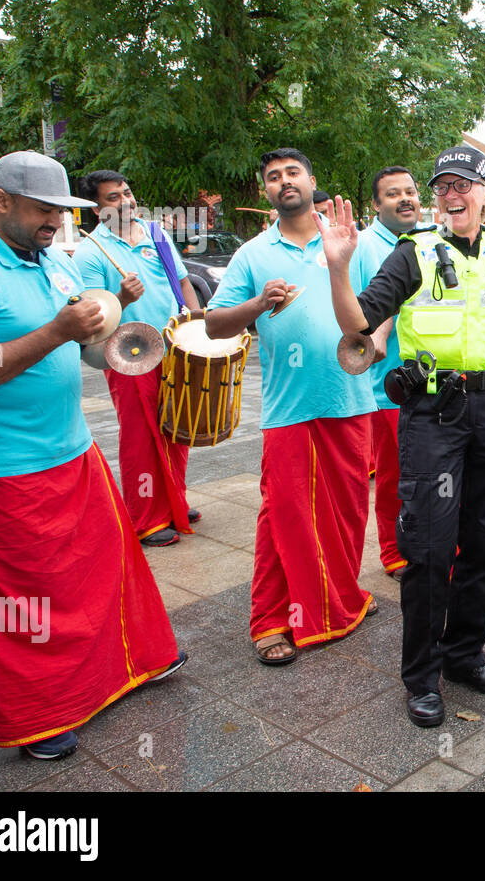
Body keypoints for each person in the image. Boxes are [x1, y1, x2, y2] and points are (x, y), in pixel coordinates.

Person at [322, 144, 485, 727]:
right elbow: (358, 324)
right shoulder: (413, 254)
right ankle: (422, 674)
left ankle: (466, 654)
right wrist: (338, 266)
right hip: (435, 413)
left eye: (465, 184)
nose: (452, 194)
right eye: (443, 186)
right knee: (430, 548)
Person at [0, 151, 183, 761]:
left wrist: (117, 329)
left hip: (71, 447)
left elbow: (86, 349)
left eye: (62, 209)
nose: (56, 220)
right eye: (44, 209)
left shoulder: (53, 260)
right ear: (1, 201)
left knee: (106, 568)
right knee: (22, 602)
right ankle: (38, 718)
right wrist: (55, 331)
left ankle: (131, 665)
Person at [205, 148, 378, 667]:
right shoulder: (252, 254)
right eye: (274, 177)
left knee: (347, 511)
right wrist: (258, 305)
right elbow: (214, 325)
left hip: (351, 400)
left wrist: (377, 341)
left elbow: (383, 307)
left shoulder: (349, 240)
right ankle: (271, 620)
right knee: (283, 517)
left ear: (311, 179)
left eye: (293, 173)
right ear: (265, 190)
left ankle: (342, 600)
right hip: (289, 409)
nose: (285, 182)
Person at [74, 170, 202, 547]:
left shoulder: (156, 234)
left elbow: (182, 283)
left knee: (179, 428)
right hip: (129, 353)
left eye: (127, 192)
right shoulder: (90, 252)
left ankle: (173, 500)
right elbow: (93, 315)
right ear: (98, 210)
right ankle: (146, 517)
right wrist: (123, 298)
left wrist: (196, 327)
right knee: (140, 437)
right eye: (113, 198)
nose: (125, 201)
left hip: (172, 346)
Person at [357, 166, 427, 579]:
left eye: (411, 192)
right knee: (394, 476)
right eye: (392, 194)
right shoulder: (362, 246)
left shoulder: (434, 239)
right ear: (376, 204)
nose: (405, 199)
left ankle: (451, 542)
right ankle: (394, 551)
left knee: (444, 470)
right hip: (388, 386)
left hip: (441, 379)